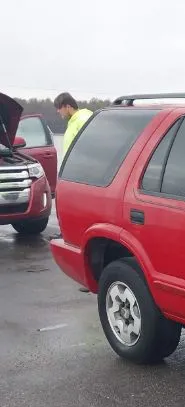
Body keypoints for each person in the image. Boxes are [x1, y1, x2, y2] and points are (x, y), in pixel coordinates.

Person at [53, 92, 93, 292]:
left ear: (67, 106)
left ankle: (91, 276)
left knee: (85, 226)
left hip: (83, 179)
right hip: (74, 178)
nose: (59, 114)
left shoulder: (83, 119)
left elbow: (91, 149)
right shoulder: (75, 120)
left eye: (59, 110)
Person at [53, 92, 93, 163]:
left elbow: (89, 149)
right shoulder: (73, 122)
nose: (58, 111)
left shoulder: (83, 120)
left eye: (59, 108)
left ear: (68, 107)